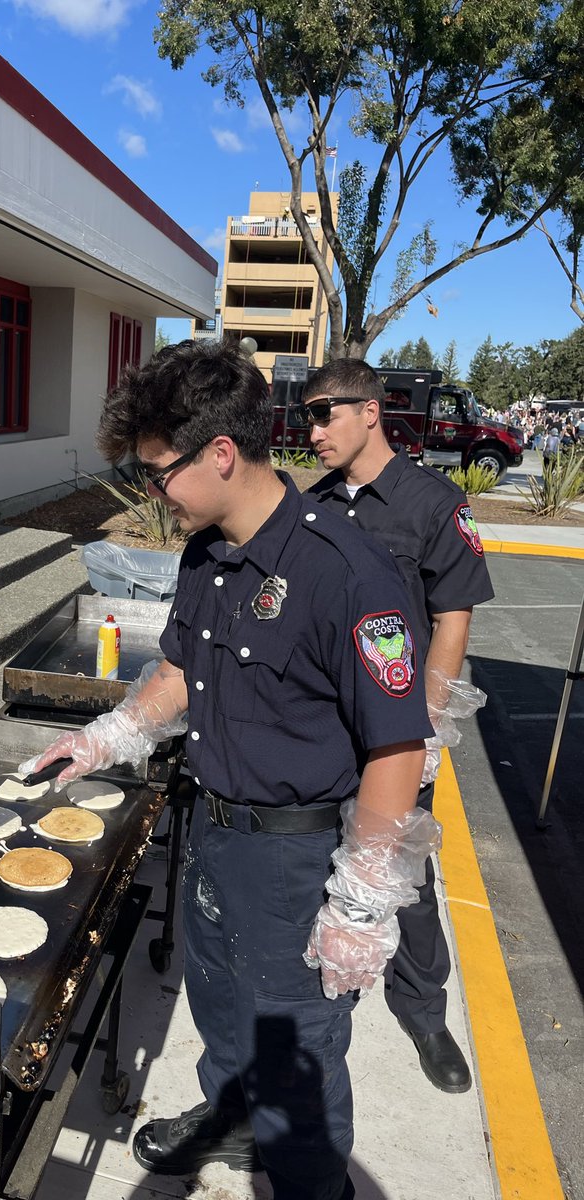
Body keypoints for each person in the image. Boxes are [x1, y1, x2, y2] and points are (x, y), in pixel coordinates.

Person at [20, 340, 437, 1200]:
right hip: (212, 830)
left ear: (219, 454)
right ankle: (230, 1123)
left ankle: (310, 1181)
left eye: (157, 473)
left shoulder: (350, 572)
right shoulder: (206, 553)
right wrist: (106, 737)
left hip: (297, 862)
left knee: (297, 1058)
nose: (153, 494)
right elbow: (177, 672)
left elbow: (398, 747)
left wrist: (360, 903)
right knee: (218, 1007)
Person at [303, 359, 494, 1094]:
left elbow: (453, 617)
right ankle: (324, 983)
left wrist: (429, 730)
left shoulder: (432, 504)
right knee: (321, 858)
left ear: (371, 411)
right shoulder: (313, 504)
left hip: (398, 730)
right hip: (324, 723)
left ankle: (422, 1009)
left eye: (325, 414)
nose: (312, 430)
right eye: (308, 416)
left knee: (402, 872)